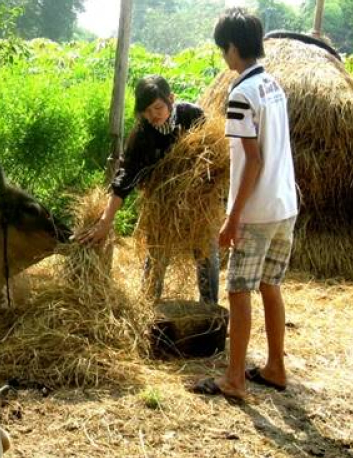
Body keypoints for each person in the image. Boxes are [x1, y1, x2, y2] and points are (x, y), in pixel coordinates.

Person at [191, 7, 298, 401]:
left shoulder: (240, 95)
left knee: (238, 290)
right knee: (271, 284)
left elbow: (252, 161)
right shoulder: (273, 86)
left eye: (223, 49)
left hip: (257, 210)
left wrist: (232, 218)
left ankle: (234, 379)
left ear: (234, 47)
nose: (224, 57)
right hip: (285, 203)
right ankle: (275, 367)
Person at [74, 75, 219, 304]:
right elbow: (125, 179)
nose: (153, 115)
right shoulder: (141, 136)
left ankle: (210, 309)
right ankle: (148, 308)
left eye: (158, 108)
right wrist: (105, 221)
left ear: (171, 99)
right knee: (157, 254)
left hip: (198, 202)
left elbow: (215, 159)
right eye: (146, 111)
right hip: (162, 204)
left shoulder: (193, 116)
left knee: (206, 253)